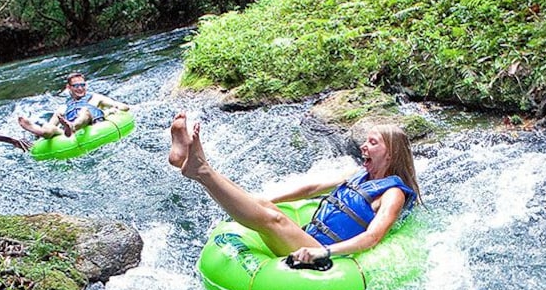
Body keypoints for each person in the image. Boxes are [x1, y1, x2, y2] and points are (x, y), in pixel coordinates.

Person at [168, 112, 420, 266]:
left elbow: (372, 237)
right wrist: (259, 199)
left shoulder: (392, 193)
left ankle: (201, 170)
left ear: (390, 154)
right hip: (309, 237)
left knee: (274, 219)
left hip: (321, 252)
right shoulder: (359, 175)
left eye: (372, 143)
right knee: (265, 207)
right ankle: (192, 165)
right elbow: (312, 187)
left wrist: (323, 252)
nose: (363, 146)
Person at [18, 73, 130, 138]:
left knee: (85, 111)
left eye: (82, 85)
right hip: (68, 133)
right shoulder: (63, 108)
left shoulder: (96, 98)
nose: (80, 88)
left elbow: (123, 106)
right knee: (50, 127)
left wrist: (112, 111)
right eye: (76, 86)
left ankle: (72, 126)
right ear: (69, 87)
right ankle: (38, 131)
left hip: (90, 125)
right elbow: (52, 124)